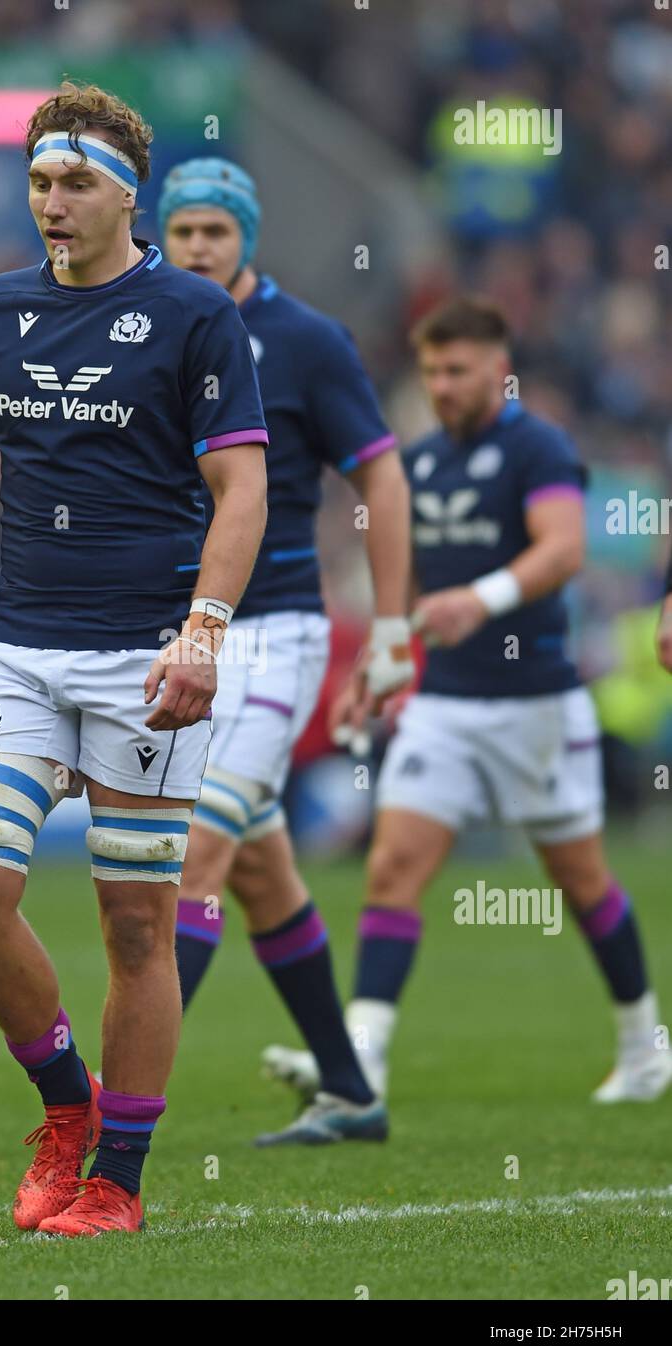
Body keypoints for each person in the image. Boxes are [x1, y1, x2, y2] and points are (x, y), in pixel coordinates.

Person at [0, 83, 268, 1238]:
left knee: (138, 925)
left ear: (127, 197)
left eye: (75, 184)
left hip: (149, 660)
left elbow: (241, 485)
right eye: (40, 182)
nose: (52, 202)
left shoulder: (197, 316)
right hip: (18, 652)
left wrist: (204, 631)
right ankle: (67, 1108)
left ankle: (120, 1180)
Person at [265, 296, 672, 1105]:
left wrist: (480, 599)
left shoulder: (537, 446)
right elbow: (406, 590)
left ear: (498, 368)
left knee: (581, 879)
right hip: (445, 703)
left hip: (536, 702)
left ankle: (642, 1043)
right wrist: (377, 667)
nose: (444, 386)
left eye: (459, 370)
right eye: (432, 373)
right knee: (393, 866)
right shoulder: (416, 465)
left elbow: (562, 550)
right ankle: (363, 1058)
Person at [159, 158, 414, 1144]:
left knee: (194, 859)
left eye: (216, 231)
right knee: (262, 872)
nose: (197, 248)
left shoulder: (307, 342)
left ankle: (111, 1109)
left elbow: (380, 481)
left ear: (248, 237)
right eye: (182, 231)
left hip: (275, 640)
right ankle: (351, 1092)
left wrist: (389, 630)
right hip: (179, 637)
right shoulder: (143, 331)